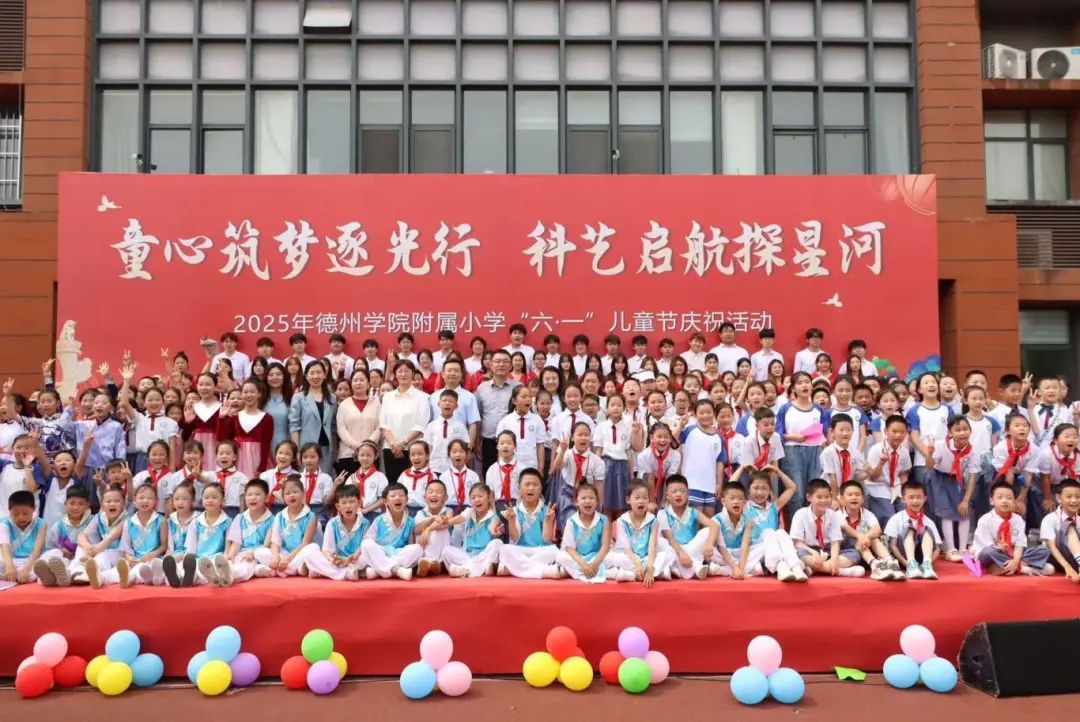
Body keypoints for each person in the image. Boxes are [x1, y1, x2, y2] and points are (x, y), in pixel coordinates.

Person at [739, 465, 808, 581]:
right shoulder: (745, 506)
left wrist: (777, 470)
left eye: (764, 488)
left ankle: (796, 567)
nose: (760, 492)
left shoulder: (774, 507)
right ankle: (780, 567)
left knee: (781, 532)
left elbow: (792, 488)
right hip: (755, 551)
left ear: (769, 490)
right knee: (769, 532)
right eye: (756, 488)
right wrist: (742, 468)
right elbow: (730, 487)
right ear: (749, 489)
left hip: (774, 549)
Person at [777, 372, 829, 518]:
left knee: (814, 489)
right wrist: (793, 437)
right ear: (793, 388)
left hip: (815, 451)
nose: (804, 385)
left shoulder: (818, 410)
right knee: (797, 491)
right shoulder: (786, 409)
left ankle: (813, 523)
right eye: (799, 383)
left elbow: (825, 432)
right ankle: (795, 526)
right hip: (792, 451)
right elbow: (777, 434)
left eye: (807, 382)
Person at [972, 481, 1052, 576]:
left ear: (1014, 502)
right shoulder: (985, 520)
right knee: (988, 552)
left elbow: (1019, 545)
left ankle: (1006, 567)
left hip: (1012, 554)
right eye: (1000, 497)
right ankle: (1023, 568)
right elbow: (985, 546)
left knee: (1043, 550)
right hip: (992, 554)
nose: (1005, 501)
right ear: (992, 501)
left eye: (1009, 498)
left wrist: (1015, 561)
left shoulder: (1018, 519)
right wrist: (1000, 548)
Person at [98, 484, 166, 586]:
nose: (145, 501)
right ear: (134, 500)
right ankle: (99, 577)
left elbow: (164, 546)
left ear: (156, 501)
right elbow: (126, 546)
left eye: (149, 498)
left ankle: (131, 578)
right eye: (141, 498)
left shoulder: (161, 520)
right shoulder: (129, 522)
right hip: (135, 559)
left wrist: (153, 554)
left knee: (143, 569)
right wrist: (129, 557)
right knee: (118, 569)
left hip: (153, 559)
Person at [497, 468, 560, 579]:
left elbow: (547, 539)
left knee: (553, 550)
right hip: (520, 551)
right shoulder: (514, 511)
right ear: (519, 488)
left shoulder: (547, 511)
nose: (531, 488)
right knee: (504, 549)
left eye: (535, 484)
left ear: (541, 488)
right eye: (527, 484)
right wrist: (511, 521)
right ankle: (544, 571)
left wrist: (548, 521)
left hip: (540, 551)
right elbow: (515, 538)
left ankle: (514, 569)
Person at [250, 476, 318, 579]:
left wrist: (288, 559)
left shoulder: (311, 516)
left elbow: (305, 543)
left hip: (299, 553)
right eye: (287, 493)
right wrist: (275, 557)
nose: (291, 495)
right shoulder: (280, 516)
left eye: (295, 492)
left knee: (312, 548)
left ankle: (280, 570)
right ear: (283, 497)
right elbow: (275, 541)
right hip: (284, 553)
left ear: (303, 493)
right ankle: (291, 570)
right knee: (259, 552)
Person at [117, 363, 180, 473]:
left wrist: (171, 468)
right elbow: (124, 403)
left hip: (163, 459)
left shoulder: (171, 422)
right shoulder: (139, 418)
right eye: (150, 400)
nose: (154, 403)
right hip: (142, 459)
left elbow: (172, 449)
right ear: (144, 402)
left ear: (163, 401)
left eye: (157, 400)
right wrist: (126, 381)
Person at [788, 478, 859, 576]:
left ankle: (814, 570)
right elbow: (798, 543)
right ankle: (841, 571)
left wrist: (834, 559)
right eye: (819, 497)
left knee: (854, 554)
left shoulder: (833, 515)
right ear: (809, 497)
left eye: (827, 497)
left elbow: (835, 542)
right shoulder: (800, 514)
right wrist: (813, 552)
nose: (824, 500)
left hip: (828, 550)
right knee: (799, 553)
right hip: (809, 550)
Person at [300, 485, 369, 582]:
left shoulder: (365, 523)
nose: (348, 506)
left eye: (352, 502)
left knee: (367, 555)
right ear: (338, 506)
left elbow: (363, 549)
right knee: (309, 550)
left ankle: (322, 571)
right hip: (336, 562)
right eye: (344, 503)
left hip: (355, 560)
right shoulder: (332, 523)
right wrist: (333, 560)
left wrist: (349, 559)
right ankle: (346, 573)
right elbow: (326, 550)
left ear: (359, 503)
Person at [837, 480, 903, 581]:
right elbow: (845, 527)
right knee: (860, 535)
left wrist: (866, 537)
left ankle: (890, 562)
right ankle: (875, 565)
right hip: (847, 552)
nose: (854, 497)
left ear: (863, 499)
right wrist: (860, 536)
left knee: (872, 536)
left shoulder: (868, 514)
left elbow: (877, 529)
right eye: (850, 495)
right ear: (841, 499)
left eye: (857, 495)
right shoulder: (837, 515)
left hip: (866, 549)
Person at [657, 475, 720, 580]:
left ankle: (676, 567)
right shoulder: (662, 513)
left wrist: (709, 543)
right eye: (674, 491)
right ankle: (696, 567)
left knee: (707, 531)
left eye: (682, 491)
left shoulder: (693, 512)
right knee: (659, 541)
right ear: (667, 495)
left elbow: (714, 525)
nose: (678, 494)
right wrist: (682, 553)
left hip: (691, 548)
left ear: (688, 494)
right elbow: (670, 539)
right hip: (674, 549)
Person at [607, 482, 667, 586]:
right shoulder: (622, 521)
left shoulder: (653, 520)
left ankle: (629, 574)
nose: (641, 501)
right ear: (628, 500)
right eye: (637, 497)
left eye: (645, 498)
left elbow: (652, 547)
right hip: (629, 557)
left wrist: (649, 567)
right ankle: (647, 573)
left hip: (646, 557)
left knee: (667, 555)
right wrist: (637, 563)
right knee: (613, 558)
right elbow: (626, 548)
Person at [359, 482, 422, 580]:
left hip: (398, 554)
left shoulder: (411, 522)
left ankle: (378, 571)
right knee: (366, 544)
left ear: (406, 500)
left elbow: (410, 545)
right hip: (381, 553)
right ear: (385, 502)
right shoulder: (379, 520)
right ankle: (396, 570)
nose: (397, 498)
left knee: (417, 548)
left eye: (401, 495)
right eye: (393, 496)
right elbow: (368, 541)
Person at [442, 484, 505, 578]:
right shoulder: (469, 512)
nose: (477, 500)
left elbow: (494, 524)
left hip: (484, 555)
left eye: (480, 496)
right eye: (473, 497)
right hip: (467, 555)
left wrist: (494, 531)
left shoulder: (493, 516)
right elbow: (461, 518)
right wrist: (449, 522)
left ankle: (466, 569)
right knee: (446, 551)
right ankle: (479, 569)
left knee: (497, 543)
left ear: (488, 498)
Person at [555, 482, 614, 583]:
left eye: (591, 498)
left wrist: (594, 564)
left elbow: (605, 547)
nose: (587, 501)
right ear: (576, 502)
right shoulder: (571, 521)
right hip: (579, 558)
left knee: (617, 558)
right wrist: (583, 565)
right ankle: (610, 573)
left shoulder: (603, 520)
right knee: (560, 556)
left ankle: (570, 572)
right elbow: (570, 548)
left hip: (598, 557)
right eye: (583, 498)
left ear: (596, 502)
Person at [70, 484, 126, 588]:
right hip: (98, 550)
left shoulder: (126, 519)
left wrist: (91, 553)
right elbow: (82, 535)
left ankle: (87, 573)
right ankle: (73, 572)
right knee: (81, 546)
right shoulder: (100, 517)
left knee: (103, 555)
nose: (112, 504)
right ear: (102, 504)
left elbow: (109, 539)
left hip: (118, 553)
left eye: (117, 501)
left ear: (124, 503)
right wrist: (87, 547)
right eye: (108, 501)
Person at [884, 480, 941, 580]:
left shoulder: (929, 521)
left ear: (925, 499)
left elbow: (937, 548)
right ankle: (911, 565)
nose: (915, 501)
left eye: (919, 497)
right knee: (910, 528)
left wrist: (930, 561)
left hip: (922, 558)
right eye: (911, 497)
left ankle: (926, 565)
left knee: (926, 529)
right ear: (903, 499)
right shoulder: (896, 518)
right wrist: (905, 563)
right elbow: (892, 545)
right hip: (904, 557)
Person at [218, 380, 274, 479]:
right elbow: (222, 439)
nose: (249, 395)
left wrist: (262, 465)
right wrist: (222, 418)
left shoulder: (267, 418)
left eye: (252, 392)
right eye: (245, 392)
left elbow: (266, 443)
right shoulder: (235, 417)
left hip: (257, 458)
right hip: (238, 459)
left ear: (259, 394)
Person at [991, 414, 1040, 527]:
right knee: (1002, 501)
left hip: (1022, 475)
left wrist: (1021, 499)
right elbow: (1008, 474)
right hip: (1002, 474)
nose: (1021, 428)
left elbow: (1028, 474)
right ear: (1008, 430)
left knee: (1026, 502)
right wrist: (1010, 498)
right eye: (1017, 425)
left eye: (1025, 426)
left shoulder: (1035, 450)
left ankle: (1024, 529)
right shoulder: (1000, 448)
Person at [222, 479, 274, 584]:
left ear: (266, 497)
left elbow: (266, 545)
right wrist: (230, 556)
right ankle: (223, 572)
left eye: (257, 494)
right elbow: (236, 544)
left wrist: (253, 554)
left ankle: (231, 574)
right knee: (232, 560)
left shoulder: (272, 520)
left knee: (248, 565)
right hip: (242, 554)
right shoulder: (239, 518)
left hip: (258, 555)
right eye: (249, 495)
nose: (252, 497)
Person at [679, 400, 726, 516]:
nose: (705, 416)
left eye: (709, 412)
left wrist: (719, 483)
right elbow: (673, 442)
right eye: (701, 413)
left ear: (714, 414)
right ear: (695, 414)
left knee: (709, 517)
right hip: (691, 483)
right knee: (695, 518)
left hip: (710, 484)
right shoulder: (689, 430)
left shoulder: (718, 436)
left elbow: (720, 462)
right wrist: (681, 426)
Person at [289, 361, 337, 474]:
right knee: (306, 479)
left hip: (326, 448)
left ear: (324, 375)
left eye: (319, 372)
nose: (315, 376)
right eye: (312, 373)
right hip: (306, 448)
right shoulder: (298, 398)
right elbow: (294, 426)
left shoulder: (332, 398)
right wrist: (297, 450)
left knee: (325, 479)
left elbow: (333, 426)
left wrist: (334, 449)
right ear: (306, 376)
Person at [905, 373, 950, 486]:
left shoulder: (947, 409)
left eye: (933, 382)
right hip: (922, 461)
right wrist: (929, 455)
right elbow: (914, 436)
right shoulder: (914, 411)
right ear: (919, 390)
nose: (931, 385)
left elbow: (952, 433)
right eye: (926, 383)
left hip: (945, 460)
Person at [865, 415, 912, 522]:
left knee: (905, 514)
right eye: (894, 431)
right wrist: (881, 463)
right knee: (889, 516)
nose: (898, 435)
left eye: (902, 432)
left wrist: (905, 492)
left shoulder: (904, 452)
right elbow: (872, 477)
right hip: (878, 487)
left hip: (896, 487)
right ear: (886, 431)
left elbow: (904, 474)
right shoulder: (876, 449)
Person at [335, 369, 381, 477]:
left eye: (361, 380)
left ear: (368, 383)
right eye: (355, 380)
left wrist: (367, 445)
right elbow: (341, 429)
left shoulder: (376, 403)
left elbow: (379, 427)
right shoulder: (344, 405)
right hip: (348, 455)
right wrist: (357, 446)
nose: (358, 383)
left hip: (370, 455)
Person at [594, 394, 632, 523]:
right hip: (606, 465)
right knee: (606, 501)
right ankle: (608, 529)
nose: (616, 408)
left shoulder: (627, 427)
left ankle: (621, 529)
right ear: (607, 408)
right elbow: (598, 450)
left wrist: (631, 472)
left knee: (622, 501)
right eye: (612, 405)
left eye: (619, 405)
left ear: (624, 408)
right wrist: (596, 471)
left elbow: (628, 451)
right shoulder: (601, 427)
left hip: (622, 466)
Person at [496, 386, 546, 473]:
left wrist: (540, 469)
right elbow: (500, 449)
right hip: (511, 467)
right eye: (524, 396)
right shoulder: (505, 422)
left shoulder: (537, 420)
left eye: (529, 396)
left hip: (532, 467)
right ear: (514, 401)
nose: (528, 399)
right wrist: (500, 468)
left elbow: (540, 446)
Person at [0, 490, 46, 585]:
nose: (21, 517)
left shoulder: (41, 524)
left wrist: (26, 569)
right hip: (11, 560)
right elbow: (5, 547)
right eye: (16, 514)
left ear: (34, 509)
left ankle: (12, 576)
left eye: (25, 513)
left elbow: (37, 550)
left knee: (54, 553)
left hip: (32, 560)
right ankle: (17, 575)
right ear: (9, 511)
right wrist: (9, 566)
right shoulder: (4, 523)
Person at [818, 415, 868, 500]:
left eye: (848, 430)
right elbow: (832, 478)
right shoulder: (828, 452)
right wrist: (836, 499)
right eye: (841, 430)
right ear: (832, 431)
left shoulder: (855, 452)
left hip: (847, 493)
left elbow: (856, 476)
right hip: (830, 492)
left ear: (853, 431)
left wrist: (868, 472)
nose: (845, 433)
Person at [1039, 479, 1080, 582]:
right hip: (1055, 559)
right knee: (1069, 527)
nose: (1074, 500)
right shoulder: (1050, 519)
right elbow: (1052, 547)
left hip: (1073, 560)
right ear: (1058, 498)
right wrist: (1068, 568)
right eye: (1069, 497)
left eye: (1078, 497)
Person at [423, 389, 469, 476]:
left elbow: (465, 447)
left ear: (456, 406)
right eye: (444, 400)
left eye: (451, 401)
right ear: (438, 404)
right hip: (434, 467)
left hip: (453, 468)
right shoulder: (431, 426)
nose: (447, 403)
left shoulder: (460, 427)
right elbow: (427, 447)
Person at [636, 423, 680, 512]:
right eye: (659, 437)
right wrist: (652, 502)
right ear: (651, 437)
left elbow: (669, 478)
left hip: (665, 482)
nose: (662, 440)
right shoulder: (644, 455)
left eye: (666, 437)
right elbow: (650, 479)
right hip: (647, 482)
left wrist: (664, 502)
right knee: (650, 507)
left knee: (665, 507)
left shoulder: (675, 455)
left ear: (670, 438)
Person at [180, 374, 220, 472]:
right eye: (201, 384)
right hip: (195, 448)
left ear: (215, 386)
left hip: (214, 447)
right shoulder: (192, 408)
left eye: (208, 384)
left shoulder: (222, 408)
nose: (204, 388)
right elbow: (185, 437)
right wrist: (188, 423)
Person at [414, 479, 452, 576]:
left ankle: (435, 563)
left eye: (438, 492)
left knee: (440, 530)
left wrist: (428, 529)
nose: (434, 495)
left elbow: (444, 522)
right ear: (425, 497)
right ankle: (428, 563)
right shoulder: (421, 513)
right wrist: (431, 519)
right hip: (424, 549)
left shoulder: (448, 511)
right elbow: (416, 530)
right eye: (430, 492)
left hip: (442, 552)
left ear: (445, 498)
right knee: (421, 531)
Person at [485, 431, 524, 509]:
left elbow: (524, 493)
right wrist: (494, 512)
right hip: (498, 506)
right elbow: (491, 494)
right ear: (497, 446)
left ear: (515, 447)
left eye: (509, 443)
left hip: (518, 506)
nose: (505, 446)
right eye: (502, 443)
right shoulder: (492, 470)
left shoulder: (522, 468)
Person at [1028, 376, 1071, 448]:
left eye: (1055, 388)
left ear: (1060, 391)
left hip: (1057, 451)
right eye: (1047, 388)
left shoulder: (1066, 412)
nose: (1051, 391)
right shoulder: (1032, 410)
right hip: (1034, 451)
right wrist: (1030, 410)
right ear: (1039, 392)